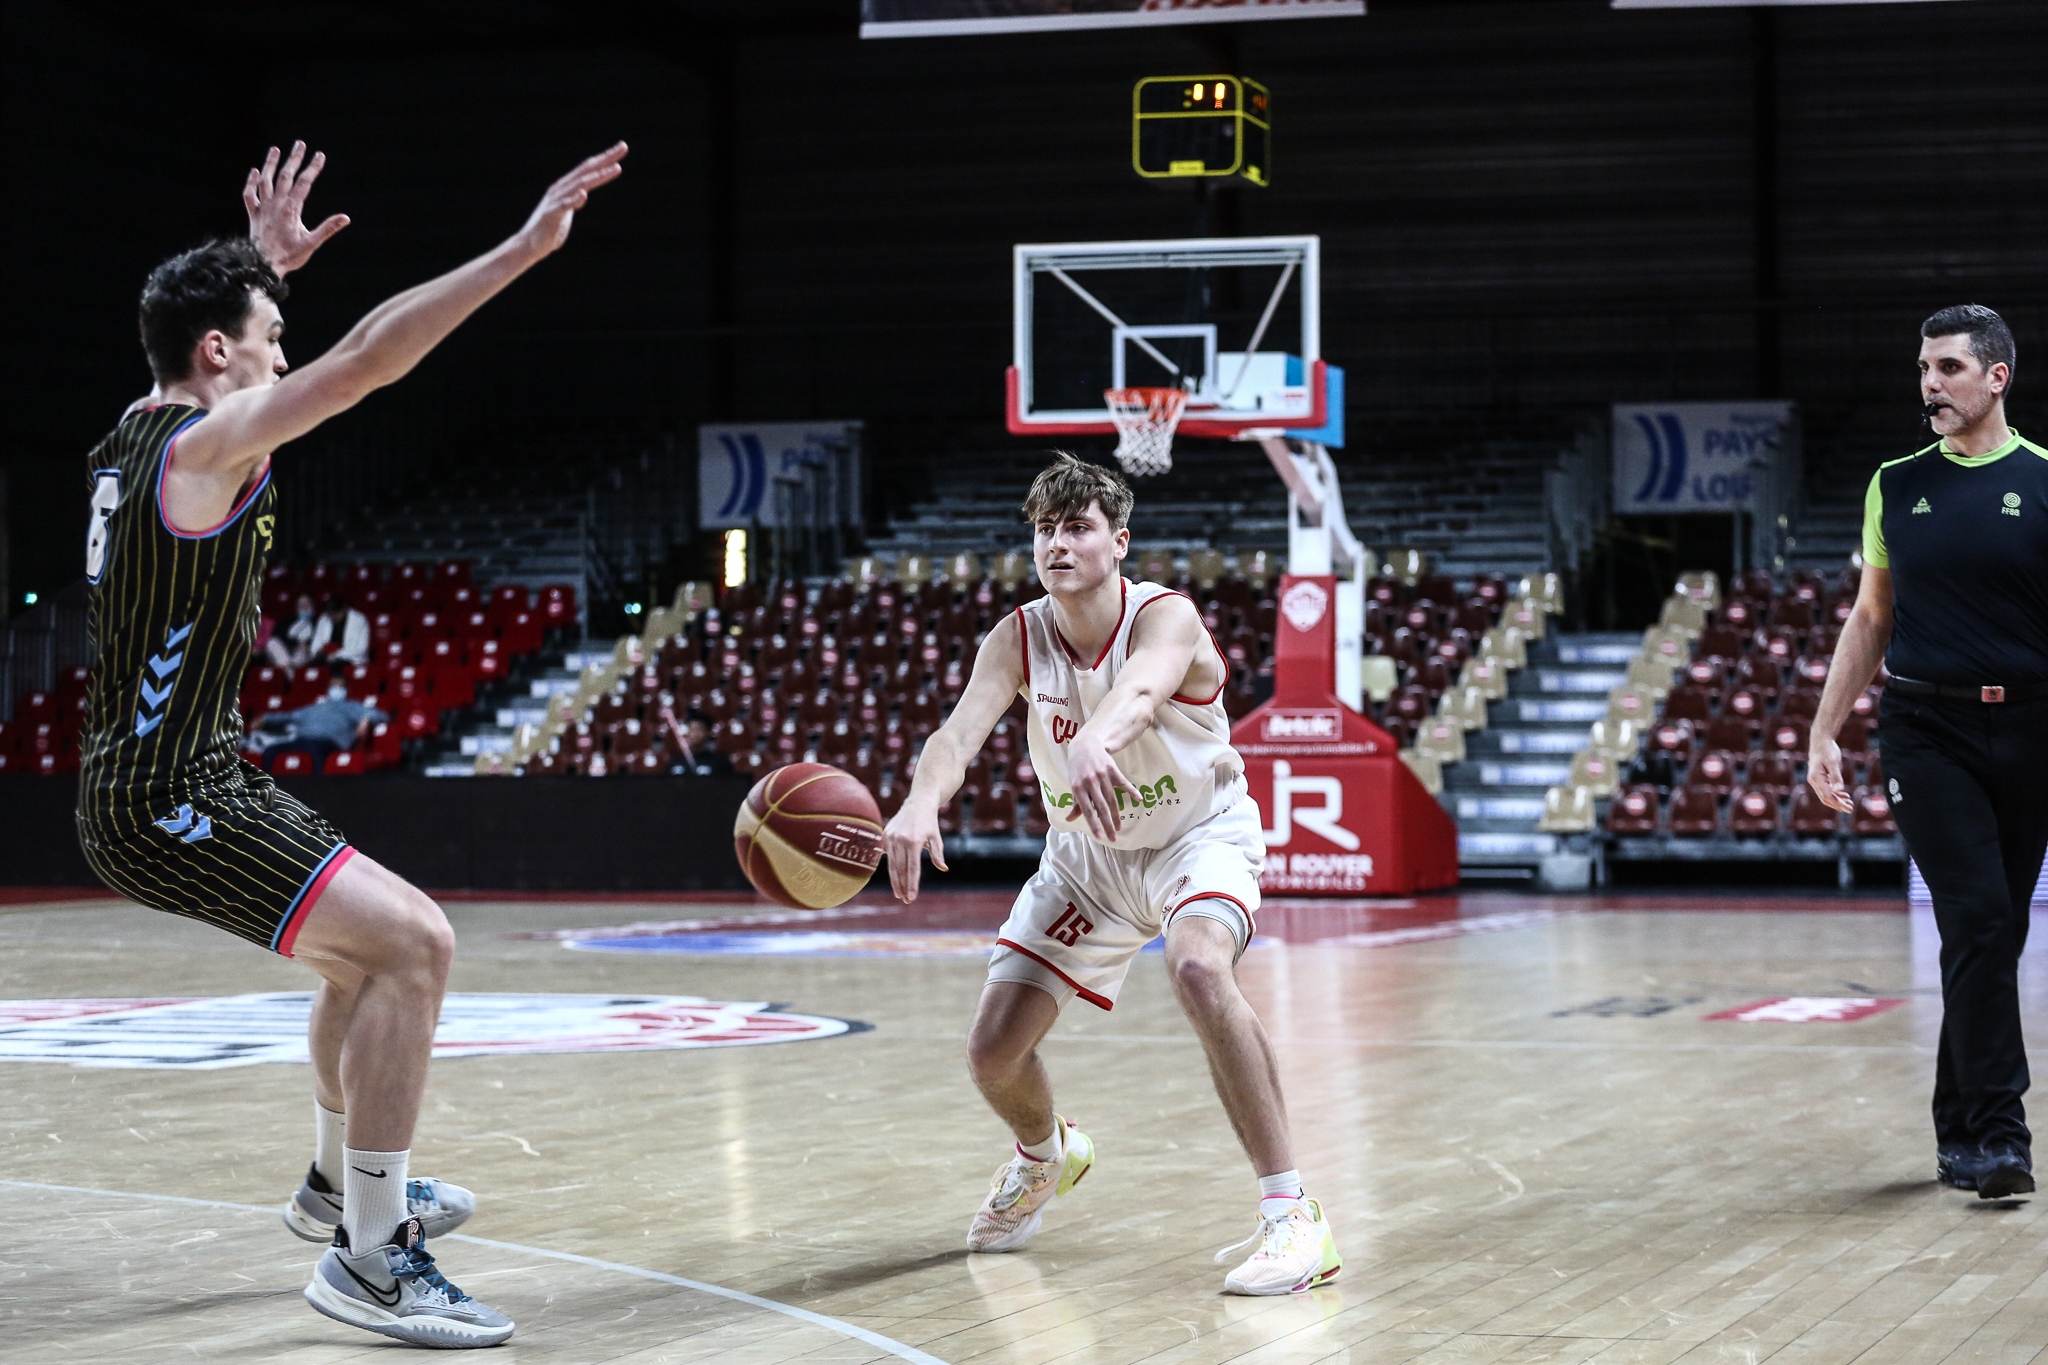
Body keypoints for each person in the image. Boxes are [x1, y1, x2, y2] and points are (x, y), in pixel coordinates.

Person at [75, 137, 625, 1347]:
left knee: (362, 959)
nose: (282, 358)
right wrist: (520, 252)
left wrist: (259, 268)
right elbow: (371, 360)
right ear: (218, 356)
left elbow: (222, 347)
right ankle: (369, 1259)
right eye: (267, 340)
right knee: (416, 947)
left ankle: (339, 1184)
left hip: (169, 778)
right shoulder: (204, 449)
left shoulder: (133, 431)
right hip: (170, 793)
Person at [882, 453, 1341, 1295]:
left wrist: (1102, 733)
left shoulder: (1166, 616)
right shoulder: (1017, 636)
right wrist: (920, 800)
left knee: (1200, 966)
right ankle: (1047, 1155)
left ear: (1118, 541)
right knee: (991, 1052)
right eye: (1046, 529)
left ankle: (1292, 1213)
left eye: (1078, 526)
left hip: (1195, 834)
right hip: (1086, 859)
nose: (1058, 542)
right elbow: (957, 734)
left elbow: (1141, 688)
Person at [1810, 303, 2043, 1202]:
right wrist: (1824, 729)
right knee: (1981, 921)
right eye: (1922, 369)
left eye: (1948, 369)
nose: (1930, 386)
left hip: (2032, 729)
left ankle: (1956, 1124)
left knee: (1993, 934)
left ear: (1997, 377)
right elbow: (1873, 617)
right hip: (1925, 729)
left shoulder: (2046, 482)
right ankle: (1998, 1139)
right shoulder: (1893, 484)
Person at [267, 680, 387, 773]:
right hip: (302, 740)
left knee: (314, 751)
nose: (337, 689)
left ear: (347, 689)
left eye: (340, 686)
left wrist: (366, 719)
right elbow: (289, 716)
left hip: (329, 742)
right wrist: (265, 718)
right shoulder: (316, 707)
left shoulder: (351, 706)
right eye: (333, 686)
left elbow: (380, 715)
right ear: (328, 689)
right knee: (270, 751)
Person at [659, 704, 733, 776]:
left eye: (699, 729)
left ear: (708, 732)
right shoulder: (674, 762)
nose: (695, 734)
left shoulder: (720, 762)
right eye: (692, 729)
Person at [310, 593, 370, 666]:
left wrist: (338, 654)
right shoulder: (323, 619)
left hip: (351, 659)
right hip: (326, 658)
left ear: (343, 609)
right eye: (330, 614)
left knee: (337, 665)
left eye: (335, 614)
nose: (333, 617)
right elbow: (316, 642)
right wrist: (319, 652)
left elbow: (361, 649)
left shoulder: (359, 619)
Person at [268, 591, 320, 668]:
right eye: (301, 604)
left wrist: (305, 645)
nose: (304, 606)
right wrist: (295, 643)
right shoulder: (288, 620)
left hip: (305, 651)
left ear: (312, 605)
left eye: (306, 603)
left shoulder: (317, 621)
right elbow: (278, 635)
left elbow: (319, 639)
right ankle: (289, 669)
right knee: (271, 642)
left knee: (301, 651)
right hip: (287, 650)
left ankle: (288, 671)